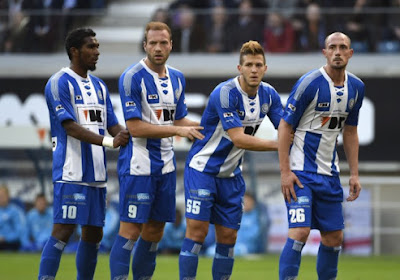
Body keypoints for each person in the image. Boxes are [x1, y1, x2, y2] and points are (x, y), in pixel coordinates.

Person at [179, 40, 283, 280]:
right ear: (240, 68)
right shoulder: (225, 93)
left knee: (228, 238)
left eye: (258, 65)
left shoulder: (269, 95)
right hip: (202, 170)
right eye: (249, 65)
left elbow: (285, 128)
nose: (254, 69)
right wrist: (279, 145)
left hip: (231, 175)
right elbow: (239, 139)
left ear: (265, 68)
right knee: (197, 234)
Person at [109, 21, 204, 280]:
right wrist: (177, 131)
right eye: (153, 43)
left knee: (154, 232)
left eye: (163, 43)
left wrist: (210, 127)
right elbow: (135, 127)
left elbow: (180, 119)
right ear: (145, 45)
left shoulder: (177, 77)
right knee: (130, 231)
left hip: (166, 166)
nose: (158, 48)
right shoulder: (132, 77)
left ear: (171, 45)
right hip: (138, 165)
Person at [38, 27, 130, 280]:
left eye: (98, 46)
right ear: (74, 51)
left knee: (94, 234)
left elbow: (113, 125)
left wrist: (133, 135)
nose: (97, 52)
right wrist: (111, 142)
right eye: (91, 47)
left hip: (97, 174)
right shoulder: (58, 83)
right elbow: (70, 127)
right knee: (63, 230)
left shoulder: (99, 86)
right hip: (71, 171)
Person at [278, 32, 364, 280]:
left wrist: (355, 174)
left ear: (350, 53)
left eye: (343, 47)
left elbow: (350, 132)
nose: (337, 52)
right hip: (300, 173)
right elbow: (285, 127)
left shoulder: (357, 87)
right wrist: (285, 172)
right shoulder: (309, 83)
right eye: (332, 47)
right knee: (300, 231)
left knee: (334, 237)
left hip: (329, 174)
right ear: (324, 52)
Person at [0, 184, 26, 251]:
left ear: (8, 196)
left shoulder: (15, 211)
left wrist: (6, 238)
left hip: (11, 244)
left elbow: (19, 231)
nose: (1, 198)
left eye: (3, 196)